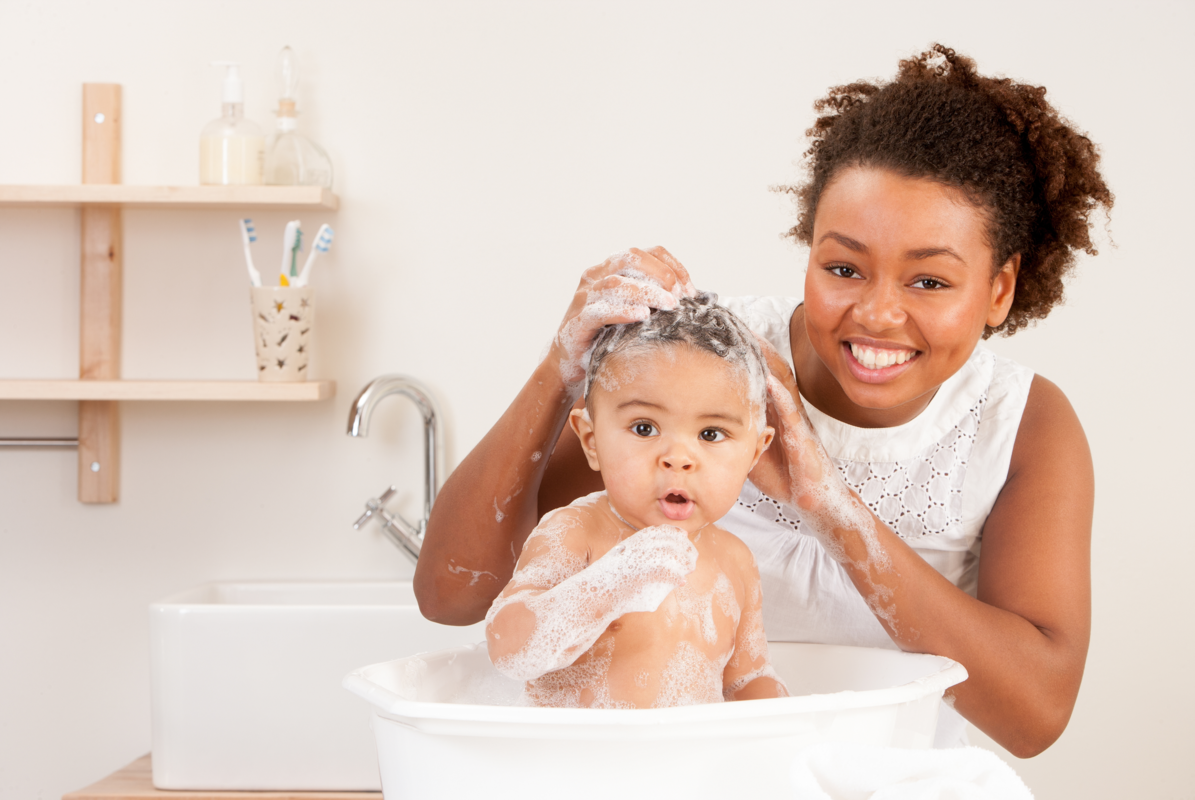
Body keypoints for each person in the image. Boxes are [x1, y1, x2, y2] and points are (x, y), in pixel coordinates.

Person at [417, 45, 1111, 756]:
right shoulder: (703, 370)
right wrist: (559, 368)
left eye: (929, 282)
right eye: (842, 267)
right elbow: (451, 596)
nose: (876, 314)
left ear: (999, 290)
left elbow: (1034, 715)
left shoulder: (1020, 423)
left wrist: (829, 506)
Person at [484, 296, 788, 707]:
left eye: (711, 434)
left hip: (681, 766)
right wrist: (608, 584)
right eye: (644, 428)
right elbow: (507, 645)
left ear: (754, 453)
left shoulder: (735, 562)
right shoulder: (577, 533)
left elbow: (747, 678)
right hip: (573, 763)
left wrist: (787, 724)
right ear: (591, 440)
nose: (678, 458)